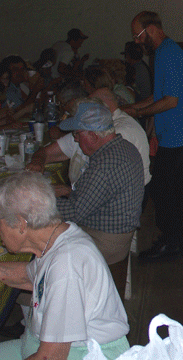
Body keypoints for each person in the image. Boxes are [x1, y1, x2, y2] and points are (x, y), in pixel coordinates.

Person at [0, 172, 130, 360]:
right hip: (37, 346)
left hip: (83, 353)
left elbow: (51, 357)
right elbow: (29, 277)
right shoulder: (57, 239)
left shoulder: (66, 264)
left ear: (20, 224)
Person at [126, 11, 183, 261]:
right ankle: (181, 242)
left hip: (179, 131)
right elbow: (159, 96)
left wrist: (139, 111)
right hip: (179, 131)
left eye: (137, 35)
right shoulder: (163, 52)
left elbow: (170, 101)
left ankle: (172, 241)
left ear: (150, 29)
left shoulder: (168, 54)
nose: (137, 42)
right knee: (177, 190)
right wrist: (134, 108)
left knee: (165, 189)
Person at [54, 101, 145, 298]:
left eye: (77, 134)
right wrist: (68, 191)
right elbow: (98, 196)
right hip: (118, 235)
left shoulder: (105, 164)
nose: (76, 140)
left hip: (105, 240)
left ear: (93, 136)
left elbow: (74, 212)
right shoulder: (124, 148)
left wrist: (38, 200)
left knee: (44, 246)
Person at [27, 90, 151, 191]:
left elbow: (93, 200)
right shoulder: (85, 131)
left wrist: (68, 193)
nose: (75, 137)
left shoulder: (114, 135)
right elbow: (47, 152)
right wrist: (38, 161)